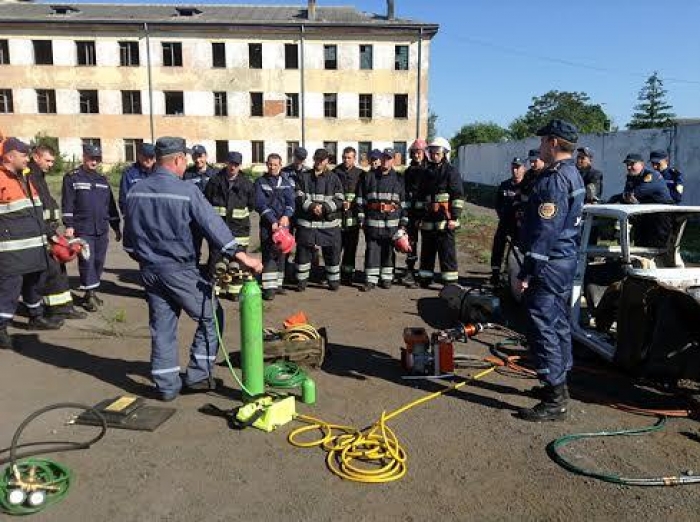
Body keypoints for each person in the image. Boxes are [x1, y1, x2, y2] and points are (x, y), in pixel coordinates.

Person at [123, 137, 262, 401]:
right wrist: (242, 255)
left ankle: (166, 387)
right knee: (212, 315)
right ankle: (198, 376)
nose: (186, 163)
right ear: (176, 160)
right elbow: (213, 226)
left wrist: (146, 259)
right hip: (179, 269)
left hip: (149, 271)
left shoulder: (136, 190)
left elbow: (129, 242)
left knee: (162, 327)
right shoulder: (185, 191)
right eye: (184, 159)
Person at [516, 119, 585, 422]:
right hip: (564, 261)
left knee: (542, 324)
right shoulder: (573, 174)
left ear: (554, 143)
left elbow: (545, 232)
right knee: (558, 323)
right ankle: (559, 385)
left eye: (544, 140)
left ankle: (554, 396)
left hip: (549, 263)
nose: (541, 145)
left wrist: (526, 273)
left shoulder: (555, 179)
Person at [0, 138, 63, 349]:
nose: (28, 158)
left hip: (34, 246)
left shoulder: (26, 179)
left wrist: (50, 234)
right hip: (11, 250)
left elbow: (36, 212)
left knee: (34, 283)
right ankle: (1, 328)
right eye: (24, 155)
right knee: (9, 290)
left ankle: (36, 317)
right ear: (10, 156)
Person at [26, 144, 86, 320]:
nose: (51, 164)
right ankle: (48, 311)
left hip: (48, 230)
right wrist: (48, 232)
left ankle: (64, 307)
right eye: (48, 160)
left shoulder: (39, 176)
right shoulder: (29, 176)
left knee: (58, 268)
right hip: (40, 232)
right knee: (48, 271)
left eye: (52, 161)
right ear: (36, 157)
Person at [61, 144, 121, 312]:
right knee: (87, 260)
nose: (94, 161)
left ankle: (92, 291)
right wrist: (69, 225)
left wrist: (116, 227)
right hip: (83, 227)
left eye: (97, 159)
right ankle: (89, 295)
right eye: (91, 158)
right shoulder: (72, 177)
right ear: (84, 157)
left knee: (98, 261)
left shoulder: (102, 179)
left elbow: (111, 206)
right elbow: (67, 203)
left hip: (101, 228)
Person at [204, 151, 255, 300]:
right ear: (226, 163)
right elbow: (207, 202)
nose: (233, 167)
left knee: (237, 263)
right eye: (231, 163)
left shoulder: (247, 184)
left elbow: (251, 205)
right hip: (218, 228)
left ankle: (234, 291)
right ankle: (216, 290)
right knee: (216, 261)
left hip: (240, 229)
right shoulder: (214, 181)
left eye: (236, 164)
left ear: (240, 166)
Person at [356, 148, 407, 291]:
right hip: (372, 223)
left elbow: (403, 204)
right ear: (380, 159)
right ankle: (370, 280)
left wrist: (403, 224)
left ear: (393, 160)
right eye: (384, 158)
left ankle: (386, 278)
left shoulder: (398, 179)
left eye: (389, 158)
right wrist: (361, 217)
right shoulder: (369, 176)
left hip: (391, 223)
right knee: (372, 251)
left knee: (388, 252)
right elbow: (360, 199)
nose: (386, 161)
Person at [416, 137, 465, 287]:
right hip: (428, 219)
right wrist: (419, 217)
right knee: (426, 252)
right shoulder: (426, 173)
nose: (434, 155)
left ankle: (450, 283)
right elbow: (420, 196)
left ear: (444, 154)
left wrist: (454, 218)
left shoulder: (451, 172)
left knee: (447, 253)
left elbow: (457, 196)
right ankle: (425, 278)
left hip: (445, 218)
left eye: (437, 153)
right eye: (432, 152)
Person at [294, 149, 344, 292]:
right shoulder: (303, 177)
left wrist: (325, 208)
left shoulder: (334, 178)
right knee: (303, 254)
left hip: (329, 225)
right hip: (307, 224)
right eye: (317, 159)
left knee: (332, 255)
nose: (319, 162)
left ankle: (333, 281)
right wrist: (312, 206)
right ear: (313, 159)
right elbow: (298, 195)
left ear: (327, 161)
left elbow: (340, 198)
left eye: (322, 160)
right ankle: (301, 282)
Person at [254, 153, 295, 301]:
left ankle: (278, 285)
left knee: (282, 254)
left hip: (283, 225)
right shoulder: (260, 182)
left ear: (280, 165)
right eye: (270, 164)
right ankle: (268, 289)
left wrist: (286, 216)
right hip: (268, 225)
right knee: (269, 253)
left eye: (275, 164)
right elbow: (260, 204)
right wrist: (272, 220)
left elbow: (291, 203)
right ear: (267, 164)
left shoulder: (286, 182)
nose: (272, 167)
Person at [620, 153, 674, 247]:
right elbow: (627, 196)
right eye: (627, 165)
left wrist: (622, 198)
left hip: (661, 216)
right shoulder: (631, 177)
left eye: (632, 164)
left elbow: (635, 193)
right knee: (640, 245)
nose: (629, 167)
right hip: (645, 214)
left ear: (642, 164)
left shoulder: (652, 175)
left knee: (658, 248)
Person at [490, 157, 526, 286]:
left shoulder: (526, 186)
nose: (515, 170)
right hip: (504, 222)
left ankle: (509, 274)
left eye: (518, 167)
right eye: (513, 167)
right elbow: (497, 203)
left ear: (524, 169)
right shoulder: (505, 185)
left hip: (519, 225)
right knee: (498, 246)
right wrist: (502, 215)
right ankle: (495, 272)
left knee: (515, 251)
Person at [332, 146, 364, 285]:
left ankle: (347, 275)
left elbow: (362, 196)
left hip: (353, 218)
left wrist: (354, 205)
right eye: (344, 157)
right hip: (337, 218)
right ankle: (333, 275)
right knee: (335, 249)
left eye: (349, 157)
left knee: (351, 249)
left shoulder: (361, 174)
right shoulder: (334, 173)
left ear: (354, 158)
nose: (346, 160)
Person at [402, 139, 428, 288]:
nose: (417, 155)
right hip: (411, 213)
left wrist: (424, 214)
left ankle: (423, 272)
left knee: (427, 244)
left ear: (424, 153)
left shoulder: (429, 171)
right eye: (414, 153)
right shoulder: (408, 171)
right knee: (411, 242)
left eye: (419, 152)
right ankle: (410, 269)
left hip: (426, 214)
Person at [118, 143, 156, 215]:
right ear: (139, 156)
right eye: (146, 156)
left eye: (151, 157)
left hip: (155, 217)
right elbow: (124, 199)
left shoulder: (159, 173)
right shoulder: (129, 174)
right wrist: (129, 215)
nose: (148, 160)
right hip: (136, 216)